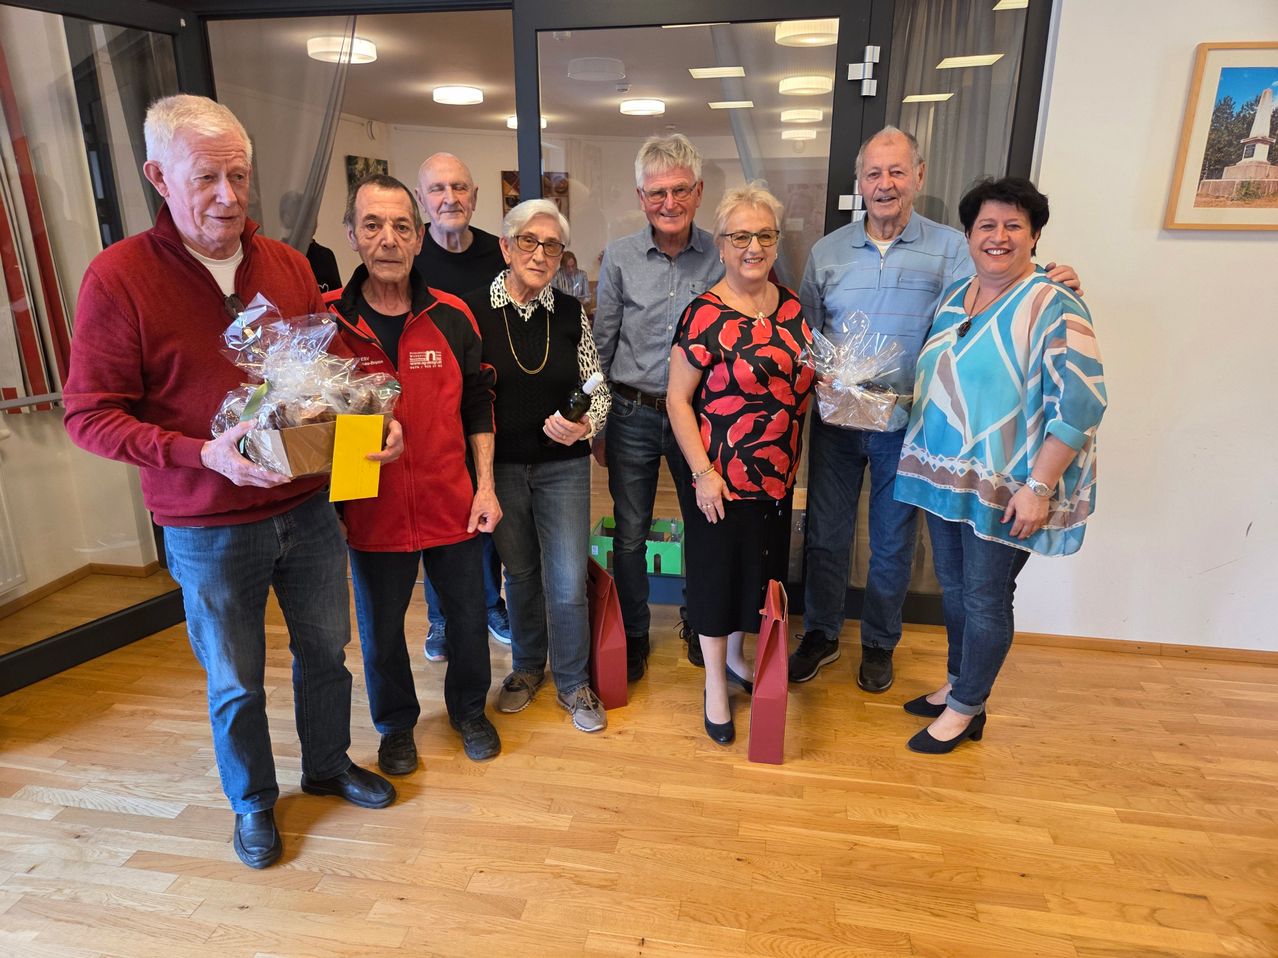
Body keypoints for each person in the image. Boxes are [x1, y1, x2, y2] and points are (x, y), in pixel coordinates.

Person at [62, 95, 400, 870]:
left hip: (308, 509)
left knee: (327, 652)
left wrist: (374, 419)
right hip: (206, 524)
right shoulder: (116, 280)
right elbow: (88, 415)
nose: (227, 195)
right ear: (158, 177)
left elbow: (331, 371)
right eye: (206, 177)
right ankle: (252, 801)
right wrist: (199, 454)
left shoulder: (286, 265)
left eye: (238, 175)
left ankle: (326, 765)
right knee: (235, 678)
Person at [791, 126, 1081, 693]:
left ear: (919, 176)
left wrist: (1055, 277)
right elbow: (806, 331)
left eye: (897, 171)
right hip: (836, 421)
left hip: (913, 425)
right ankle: (822, 634)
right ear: (859, 183)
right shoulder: (827, 251)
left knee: (894, 541)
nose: (885, 184)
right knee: (826, 533)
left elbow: (1005, 288)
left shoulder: (956, 247)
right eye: (873, 173)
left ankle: (878, 642)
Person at [894, 176, 1106, 753]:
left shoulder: (1053, 302)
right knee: (957, 590)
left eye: (1014, 225)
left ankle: (966, 709)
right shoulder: (956, 296)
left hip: (1010, 481)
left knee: (986, 596)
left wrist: (1039, 486)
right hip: (948, 475)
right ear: (968, 235)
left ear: (1034, 235)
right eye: (986, 225)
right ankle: (961, 685)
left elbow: (1082, 401)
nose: (999, 236)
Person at [330, 173, 503, 770]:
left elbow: (479, 404)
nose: (388, 239)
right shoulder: (326, 325)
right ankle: (395, 727)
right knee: (380, 631)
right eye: (373, 225)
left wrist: (484, 486)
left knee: (468, 618)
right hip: (368, 506)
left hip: (449, 500)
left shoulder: (452, 316)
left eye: (402, 226)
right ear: (352, 235)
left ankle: (469, 711)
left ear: (420, 237)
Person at [667, 183, 815, 744]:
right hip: (719, 477)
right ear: (722, 246)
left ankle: (735, 658)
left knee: (757, 576)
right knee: (715, 579)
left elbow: (803, 384)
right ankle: (713, 685)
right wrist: (703, 474)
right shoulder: (703, 314)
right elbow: (677, 399)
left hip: (777, 477)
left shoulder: (794, 307)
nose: (753, 246)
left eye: (764, 235)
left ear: (776, 242)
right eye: (740, 236)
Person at [464, 200, 610, 733]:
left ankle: (572, 681)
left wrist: (585, 426)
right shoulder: (472, 310)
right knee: (520, 573)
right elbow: (463, 394)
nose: (540, 253)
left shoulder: (571, 315)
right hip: (499, 467)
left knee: (568, 578)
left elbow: (597, 386)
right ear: (505, 247)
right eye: (528, 240)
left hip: (563, 467)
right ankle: (527, 668)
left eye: (552, 245)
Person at [593, 134, 721, 680]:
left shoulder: (724, 253)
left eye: (679, 191)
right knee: (630, 530)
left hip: (699, 416)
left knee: (704, 525)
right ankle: (636, 633)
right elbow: (600, 343)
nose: (668, 203)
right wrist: (597, 423)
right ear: (640, 197)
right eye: (656, 193)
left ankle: (700, 622)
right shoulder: (619, 257)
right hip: (631, 414)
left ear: (698, 192)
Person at [413, 151, 511, 657]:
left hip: (489, 406)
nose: (450, 198)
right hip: (433, 415)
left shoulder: (502, 252)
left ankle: (492, 604)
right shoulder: (410, 258)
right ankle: (440, 618)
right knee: (441, 520)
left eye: (459, 187)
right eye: (437, 189)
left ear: (474, 197)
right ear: (422, 201)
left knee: (487, 508)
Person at [278, 189, 342, 293]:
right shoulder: (278, 254)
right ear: (287, 219)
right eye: (304, 214)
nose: (311, 220)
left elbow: (337, 298)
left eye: (312, 214)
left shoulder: (326, 256)